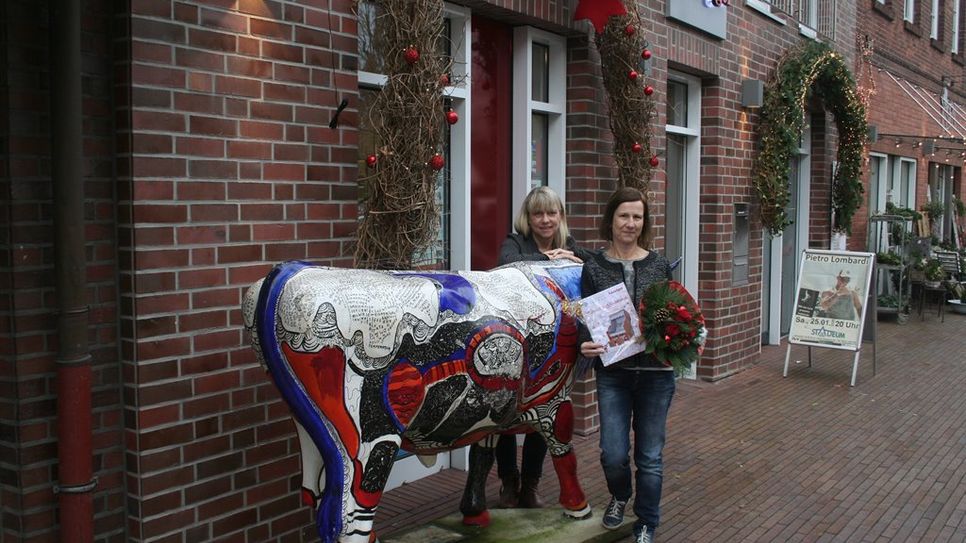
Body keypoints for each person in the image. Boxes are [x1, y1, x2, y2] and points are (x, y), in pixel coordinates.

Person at [479, 186, 592, 509]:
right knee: (503, 417)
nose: (545, 220)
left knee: (542, 418)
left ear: (561, 217)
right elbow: (507, 263)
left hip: (554, 345)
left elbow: (591, 268)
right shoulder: (516, 242)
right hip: (516, 342)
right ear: (528, 218)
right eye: (538, 214)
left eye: (551, 213)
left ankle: (530, 485)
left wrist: (573, 257)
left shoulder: (569, 246)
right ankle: (508, 482)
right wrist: (546, 259)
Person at [579, 187, 674, 543]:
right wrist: (584, 344)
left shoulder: (660, 265)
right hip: (614, 375)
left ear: (644, 222)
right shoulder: (594, 267)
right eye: (624, 215)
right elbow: (587, 319)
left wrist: (673, 336)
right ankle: (620, 495)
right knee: (613, 454)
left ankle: (647, 521)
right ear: (611, 219)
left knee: (649, 456)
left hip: (656, 375)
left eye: (637, 216)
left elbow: (675, 316)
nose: (630, 223)